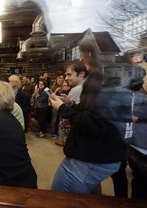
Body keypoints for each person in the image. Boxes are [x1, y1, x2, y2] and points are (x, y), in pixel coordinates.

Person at [48, 40, 127, 193]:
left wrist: (62, 108)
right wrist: (70, 105)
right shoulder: (112, 76)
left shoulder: (100, 78)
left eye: (84, 53)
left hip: (91, 157)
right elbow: (93, 113)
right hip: (105, 154)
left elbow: (93, 124)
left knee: (60, 199)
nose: (82, 58)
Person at [55, 63, 89, 146]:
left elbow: (70, 118)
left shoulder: (77, 88)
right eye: (66, 75)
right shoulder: (88, 86)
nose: (66, 78)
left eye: (69, 75)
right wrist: (69, 103)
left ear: (81, 74)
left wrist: (60, 106)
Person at [128, 72, 147, 199]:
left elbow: (133, 118)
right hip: (137, 146)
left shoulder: (139, 97)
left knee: (140, 188)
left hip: (141, 148)